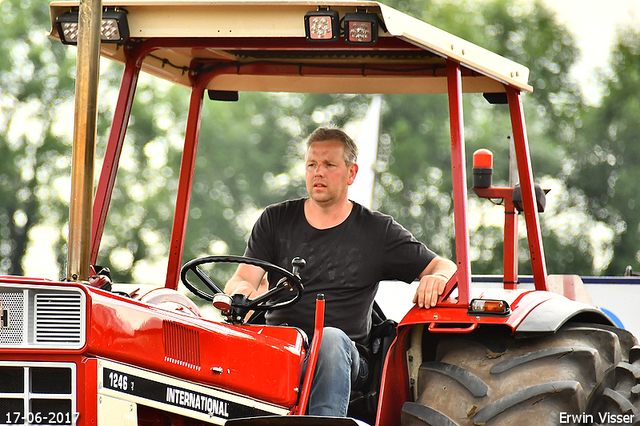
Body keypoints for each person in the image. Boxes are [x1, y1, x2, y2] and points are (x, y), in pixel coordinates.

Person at [225, 127, 456, 417]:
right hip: (281, 346)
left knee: (330, 339)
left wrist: (437, 278)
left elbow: (442, 265)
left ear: (351, 173)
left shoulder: (376, 231)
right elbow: (244, 278)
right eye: (312, 164)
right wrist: (240, 293)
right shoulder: (275, 219)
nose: (318, 172)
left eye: (329, 165)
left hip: (347, 358)